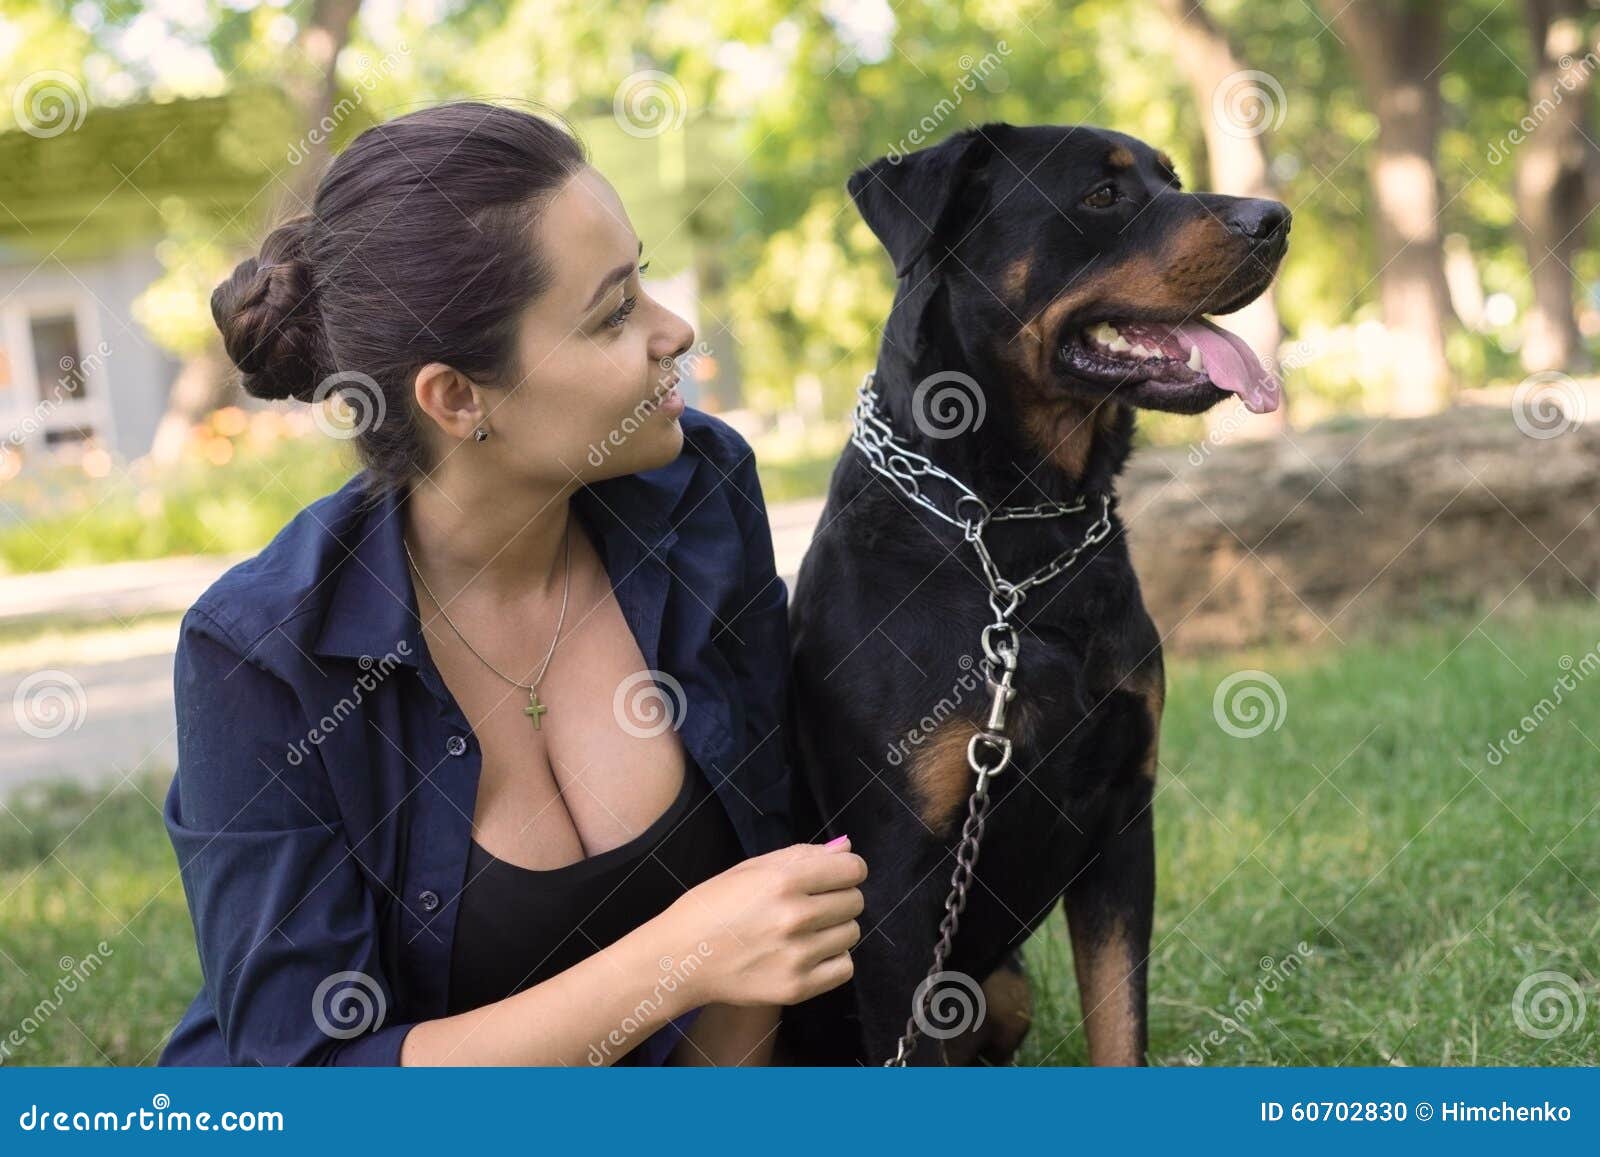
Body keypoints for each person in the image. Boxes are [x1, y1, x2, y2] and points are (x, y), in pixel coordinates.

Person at [158, 100, 865, 1066]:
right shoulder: (258, 651)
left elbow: (774, 875)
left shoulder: (697, 497)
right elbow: (306, 1081)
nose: (676, 329)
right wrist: (680, 959)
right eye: (615, 311)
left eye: (644, 281)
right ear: (457, 397)